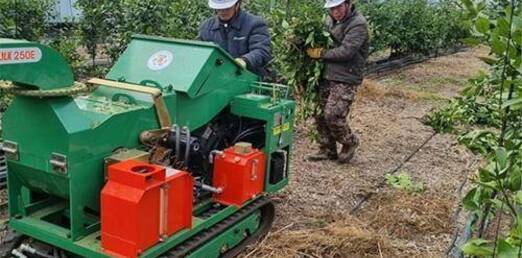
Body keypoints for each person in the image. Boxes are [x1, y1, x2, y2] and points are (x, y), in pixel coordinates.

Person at [305, 0, 369, 164]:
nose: (335, 12)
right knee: (319, 112)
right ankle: (327, 149)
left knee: (333, 114)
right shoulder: (329, 20)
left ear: (348, 4)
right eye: (332, 8)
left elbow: (346, 51)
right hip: (327, 74)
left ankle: (349, 141)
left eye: (338, 7)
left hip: (346, 76)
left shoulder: (358, 24)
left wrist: (321, 53)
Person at [198, 0, 272, 78]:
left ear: (237, 4)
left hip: (247, 78)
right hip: (217, 79)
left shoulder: (254, 24)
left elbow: (262, 51)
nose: (223, 11)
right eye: (219, 9)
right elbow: (201, 52)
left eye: (227, 8)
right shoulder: (206, 27)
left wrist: (245, 60)